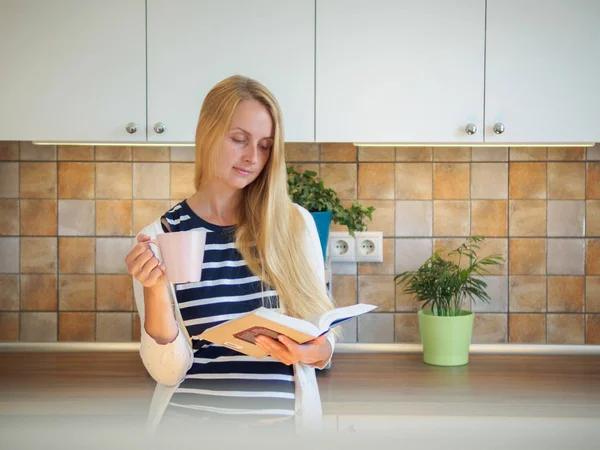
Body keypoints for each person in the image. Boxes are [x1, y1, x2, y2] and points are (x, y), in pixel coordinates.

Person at [125, 75, 336, 435]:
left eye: (266, 146)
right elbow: (167, 371)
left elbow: (324, 341)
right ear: (207, 132)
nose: (253, 157)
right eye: (239, 140)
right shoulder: (163, 234)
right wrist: (154, 289)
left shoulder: (294, 224)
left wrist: (309, 353)